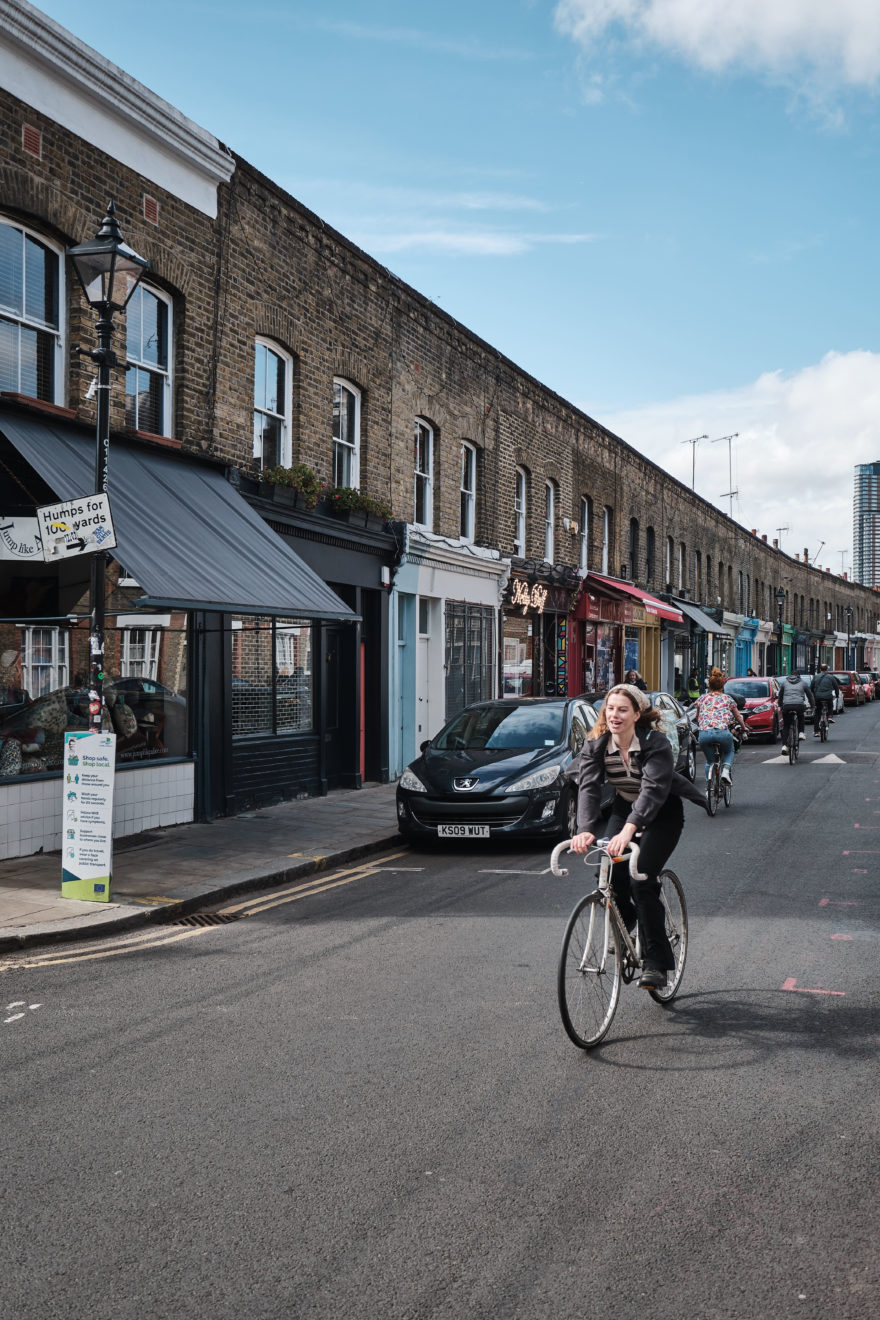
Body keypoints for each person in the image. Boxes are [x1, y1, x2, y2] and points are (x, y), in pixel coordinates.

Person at [570, 683, 707, 990]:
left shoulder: (655, 743)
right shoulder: (597, 744)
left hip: (662, 812)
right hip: (624, 805)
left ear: (636, 714)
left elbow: (653, 791)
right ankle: (628, 917)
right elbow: (589, 788)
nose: (614, 715)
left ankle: (657, 963)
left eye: (622, 709)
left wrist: (629, 830)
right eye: (610, 708)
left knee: (642, 878)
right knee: (607, 872)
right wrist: (585, 831)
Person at [695, 668, 747, 785]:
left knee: (709, 761)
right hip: (722, 733)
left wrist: (703, 725)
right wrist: (744, 727)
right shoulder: (727, 698)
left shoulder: (702, 698)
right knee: (729, 750)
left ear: (710, 686)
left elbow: (698, 716)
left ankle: (708, 788)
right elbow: (738, 716)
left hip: (704, 734)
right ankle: (725, 772)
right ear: (722, 685)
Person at [776, 669, 814, 743]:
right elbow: (810, 696)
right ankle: (801, 732)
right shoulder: (803, 683)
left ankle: (784, 746)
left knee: (786, 726)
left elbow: (780, 696)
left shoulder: (784, 683)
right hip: (799, 705)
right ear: (799, 676)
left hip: (787, 705)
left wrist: (780, 705)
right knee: (801, 716)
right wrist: (812, 705)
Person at [811, 664, 840, 736]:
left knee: (817, 713)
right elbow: (836, 687)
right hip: (828, 696)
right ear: (827, 670)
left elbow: (811, 688)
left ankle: (816, 731)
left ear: (820, 669)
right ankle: (830, 716)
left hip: (817, 697)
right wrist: (837, 695)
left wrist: (813, 695)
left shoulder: (816, 677)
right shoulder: (831, 677)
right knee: (830, 704)